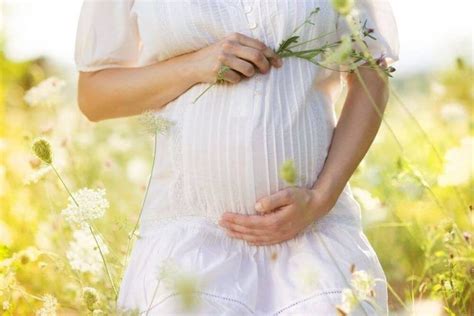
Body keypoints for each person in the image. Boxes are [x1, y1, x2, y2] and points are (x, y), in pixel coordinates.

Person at [75, 0, 399, 314]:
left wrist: (320, 199)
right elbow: (94, 96)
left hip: (314, 235)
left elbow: (371, 71)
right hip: (191, 241)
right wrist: (193, 66)